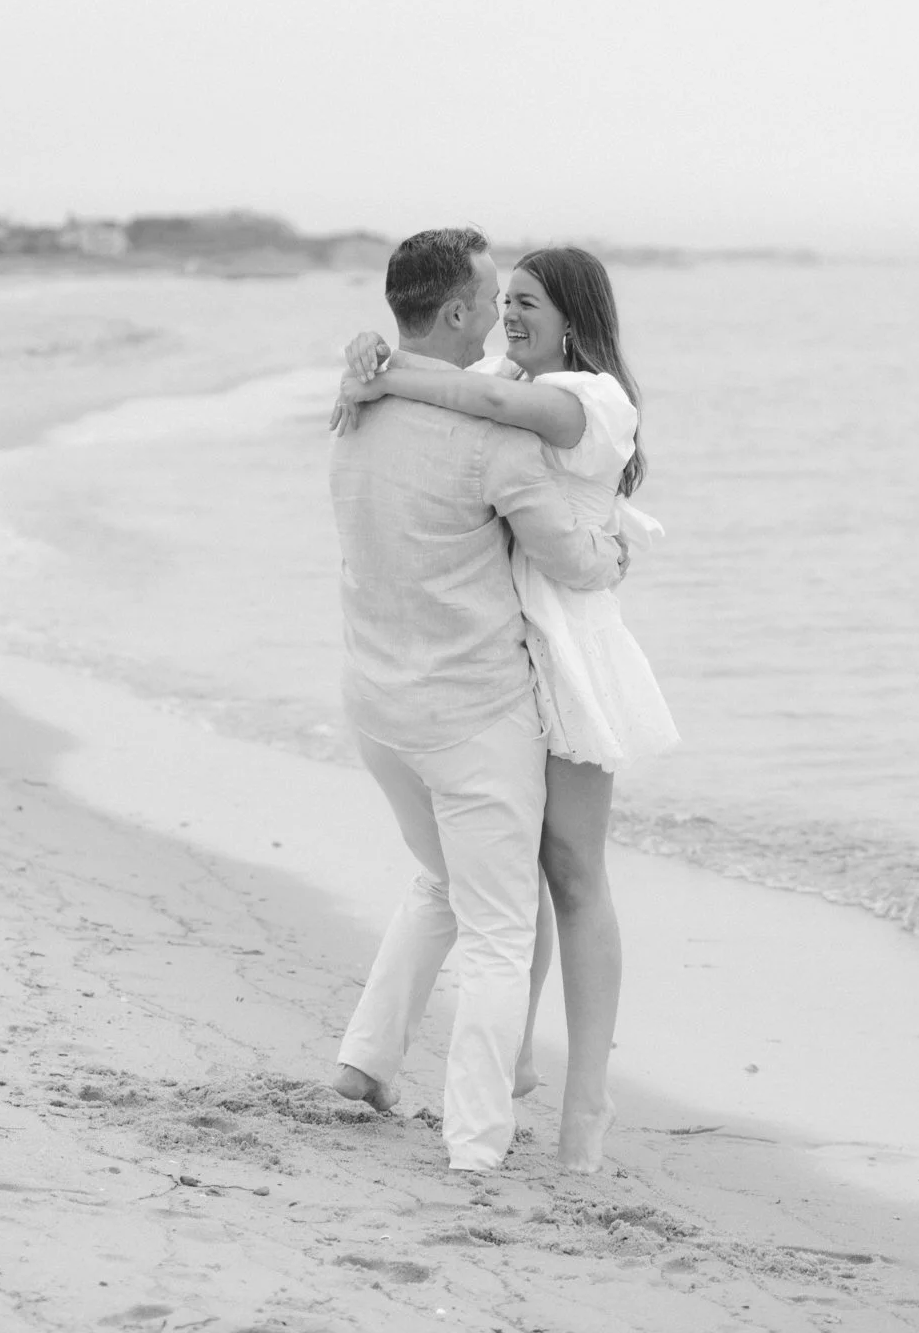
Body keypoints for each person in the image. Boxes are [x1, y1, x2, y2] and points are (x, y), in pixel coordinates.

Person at [332, 245, 678, 1173]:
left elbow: (470, 397)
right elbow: (466, 385)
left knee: (566, 876)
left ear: (574, 318)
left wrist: (379, 370)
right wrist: (370, 356)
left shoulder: (587, 399)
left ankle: (581, 1106)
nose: (507, 315)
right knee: (492, 889)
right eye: (502, 298)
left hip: (565, 654)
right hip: (503, 666)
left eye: (527, 301)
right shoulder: (500, 381)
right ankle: (483, 1090)